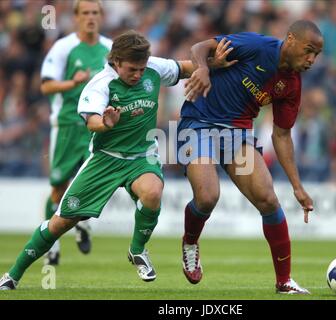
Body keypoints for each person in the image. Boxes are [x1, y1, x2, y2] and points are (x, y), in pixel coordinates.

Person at [0, 30, 233, 290]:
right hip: (105, 159)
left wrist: (212, 64)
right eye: (132, 69)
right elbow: (92, 121)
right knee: (61, 222)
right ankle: (13, 274)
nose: (138, 74)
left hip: (142, 156)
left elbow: (188, 67)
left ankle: (137, 250)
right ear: (116, 61)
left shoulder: (153, 67)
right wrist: (106, 123)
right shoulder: (100, 84)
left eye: (142, 69)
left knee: (153, 192)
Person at [177, 20, 323, 294]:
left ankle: (284, 282)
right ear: (290, 40)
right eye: (308, 51)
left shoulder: (291, 86)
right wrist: (204, 68)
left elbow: (281, 135)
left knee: (268, 199)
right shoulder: (257, 46)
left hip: (237, 134)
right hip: (199, 122)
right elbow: (199, 47)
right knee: (207, 196)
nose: (311, 60)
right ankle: (190, 242)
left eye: (316, 55)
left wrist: (297, 186)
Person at [39, 0, 112, 265]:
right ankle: (52, 243)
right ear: (76, 17)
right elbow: (45, 87)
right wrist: (73, 82)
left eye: (95, 13)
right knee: (58, 188)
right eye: (86, 13)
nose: (91, 17)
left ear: (101, 16)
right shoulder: (64, 47)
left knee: (92, 182)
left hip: (96, 127)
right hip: (68, 125)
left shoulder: (110, 49)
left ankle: (81, 224)